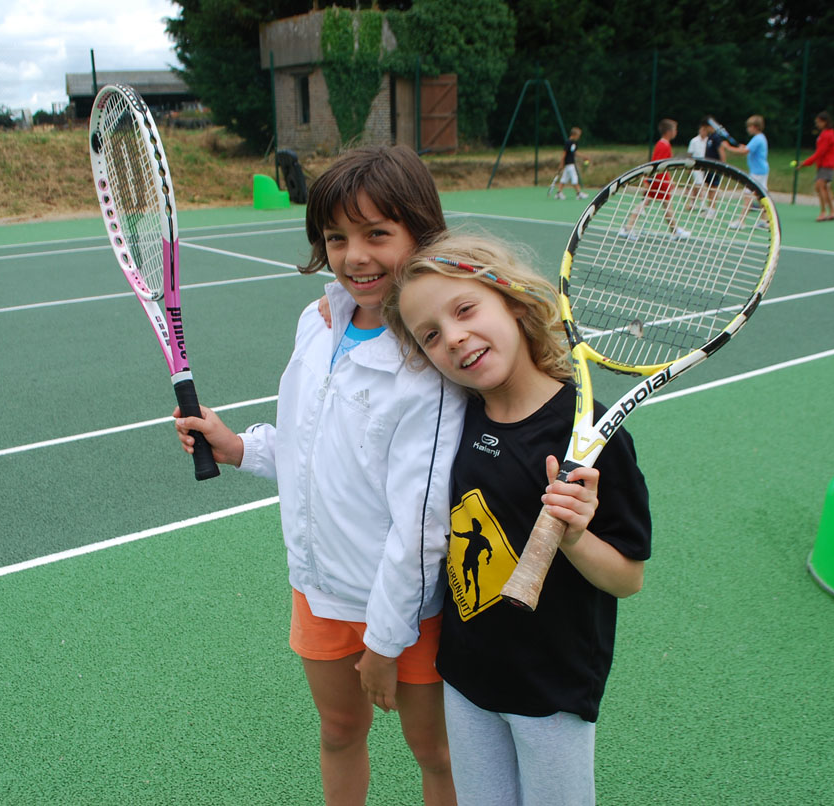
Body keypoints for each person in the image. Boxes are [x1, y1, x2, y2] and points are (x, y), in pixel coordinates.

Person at [173, 145, 465, 806]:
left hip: (409, 612)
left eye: (377, 234)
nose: (355, 255)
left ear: (420, 232)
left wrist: (387, 643)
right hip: (318, 590)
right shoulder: (318, 321)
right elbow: (311, 450)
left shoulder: (429, 362)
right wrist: (239, 447)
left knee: (438, 755)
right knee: (338, 733)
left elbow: (423, 526)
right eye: (337, 237)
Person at [383, 233, 652, 806]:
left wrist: (576, 537)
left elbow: (628, 577)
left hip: (550, 690)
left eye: (465, 309)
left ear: (512, 301)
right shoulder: (455, 419)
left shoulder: (593, 436)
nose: (453, 337)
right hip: (465, 677)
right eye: (430, 335)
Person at [618, 118, 690, 240]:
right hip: (659, 182)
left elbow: (663, 166)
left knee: (650, 203)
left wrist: (667, 179)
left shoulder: (663, 144)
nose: (676, 132)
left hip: (659, 181)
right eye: (675, 129)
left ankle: (627, 228)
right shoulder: (663, 145)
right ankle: (675, 231)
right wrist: (653, 181)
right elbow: (657, 166)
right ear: (669, 131)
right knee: (665, 206)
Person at [721, 115, 770, 229]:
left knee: (748, 195)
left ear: (755, 127)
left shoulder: (758, 139)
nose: (748, 129)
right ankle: (765, 220)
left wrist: (728, 147)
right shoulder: (759, 138)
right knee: (760, 196)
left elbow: (744, 151)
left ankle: (741, 221)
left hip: (758, 172)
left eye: (749, 127)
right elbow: (747, 149)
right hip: (761, 170)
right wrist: (744, 147)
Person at [796, 111, 834, 222]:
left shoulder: (827, 135)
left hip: (827, 164)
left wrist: (805, 163)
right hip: (825, 164)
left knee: (820, 186)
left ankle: (823, 212)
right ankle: (833, 211)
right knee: (824, 187)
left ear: (825, 122)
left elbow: (820, 152)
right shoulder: (827, 133)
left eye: (819, 122)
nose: (817, 124)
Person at [700, 116, 727, 216]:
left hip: (715, 167)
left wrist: (723, 165)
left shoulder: (716, 137)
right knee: (709, 187)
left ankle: (712, 209)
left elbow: (721, 151)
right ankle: (709, 207)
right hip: (708, 167)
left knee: (713, 188)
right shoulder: (710, 137)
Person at [555, 127, 589, 201]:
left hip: (570, 164)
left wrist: (584, 157)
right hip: (569, 164)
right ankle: (579, 193)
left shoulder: (574, 143)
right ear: (574, 134)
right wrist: (561, 163)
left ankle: (558, 193)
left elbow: (575, 152)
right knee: (574, 178)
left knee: (564, 179)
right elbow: (564, 154)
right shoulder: (568, 142)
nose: (579, 137)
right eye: (578, 135)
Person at [685, 119, 710, 211]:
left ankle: (692, 202)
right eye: (701, 129)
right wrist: (689, 166)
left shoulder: (708, 140)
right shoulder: (694, 141)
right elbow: (690, 154)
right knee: (700, 184)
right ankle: (702, 203)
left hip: (706, 165)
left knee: (698, 185)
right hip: (696, 165)